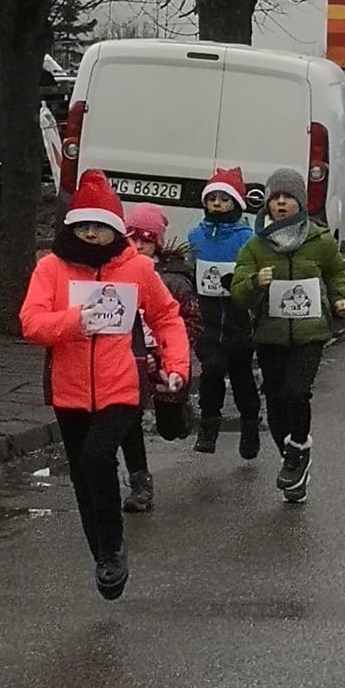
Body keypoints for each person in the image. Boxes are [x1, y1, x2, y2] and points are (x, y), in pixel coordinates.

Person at [19, 171, 189, 598]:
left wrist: (176, 366)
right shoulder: (51, 268)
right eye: (83, 226)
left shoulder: (137, 268)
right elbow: (31, 322)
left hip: (120, 385)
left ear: (115, 229)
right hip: (69, 389)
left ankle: (113, 547)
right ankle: (101, 554)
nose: (91, 234)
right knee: (81, 474)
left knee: (98, 458)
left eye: (100, 226)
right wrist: (75, 322)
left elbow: (166, 316)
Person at [230, 168, 345, 502]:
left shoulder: (319, 240)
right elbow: (238, 293)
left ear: (301, 202)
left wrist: (341, 298)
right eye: (275, 198)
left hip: (310, 332)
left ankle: (298, 446)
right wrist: (255, 283)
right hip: (270, 334)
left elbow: (336, 272)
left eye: (288, 197)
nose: (281, 203)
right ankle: (294, 462)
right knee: (275, 404)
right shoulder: (255, 246)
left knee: (296, 392)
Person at [119, 203, 199, 511]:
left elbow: (186, 321)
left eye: (146, 240)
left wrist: (169, 358)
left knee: (169, 429)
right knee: (130, 419)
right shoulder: (118, 273)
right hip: (131, 361)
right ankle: (140, 481)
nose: (138, 246)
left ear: (158, 243)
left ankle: (182, 416)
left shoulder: (174, 280)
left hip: (166, 362)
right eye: (132, 238)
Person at [187, 168, 260, 460]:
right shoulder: (196, 235)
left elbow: (254, 274)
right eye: (212, 198)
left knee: (242, 376)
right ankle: (209, 424)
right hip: (207, 319)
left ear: (236, 203)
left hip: (237, 319)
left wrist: (243, 283)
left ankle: (250, 425)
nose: (217, 204)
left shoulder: (247, 238)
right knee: (212, 370)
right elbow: (190, 268)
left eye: (224, 199)